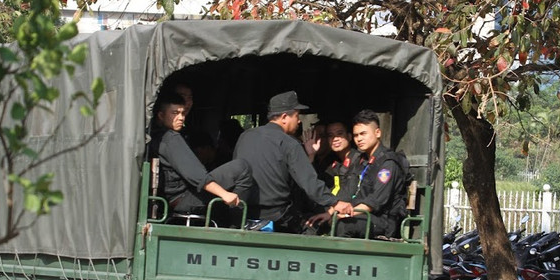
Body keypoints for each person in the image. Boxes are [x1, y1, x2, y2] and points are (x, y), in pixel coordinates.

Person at [234, 91, 352, 232]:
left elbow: (235, 169)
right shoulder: (289, 143)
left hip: (242, 214)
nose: (299, 121)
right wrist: (335, 202)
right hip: (277, 218)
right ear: (284, 117)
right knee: (312, 228)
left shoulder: (245, 136)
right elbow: (309, 182)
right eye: (297, 116)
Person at [148, 93, 253, 223]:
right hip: (183, 199)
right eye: (174, 113)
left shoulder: (155, 136)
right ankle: (237, 224)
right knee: (241, 167)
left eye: (183, 113)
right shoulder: (171, 138)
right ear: (161, 115)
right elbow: (196, 176)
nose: (181, 118)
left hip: (173, 199)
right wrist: (224, 194)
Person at [330, 109, 408, 238]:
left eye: (363, 134)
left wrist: (349, 213)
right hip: (364, 215)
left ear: (377, 133)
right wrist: (332, 211)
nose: (359, 139)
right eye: (356, 135)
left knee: (343, 225)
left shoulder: (388, 163)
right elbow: (351, 193)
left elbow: (376, 200)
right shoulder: (363, 161)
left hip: (383, 220)